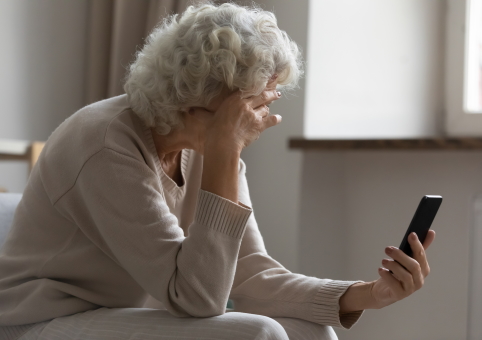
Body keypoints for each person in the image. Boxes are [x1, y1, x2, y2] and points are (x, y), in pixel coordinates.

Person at [0, 3, 435, 340]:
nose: (263, 119)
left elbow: (248, 274)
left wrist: (368, 294)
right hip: (40, 321)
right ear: (196, 99)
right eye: (252, 106)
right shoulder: (104, 145)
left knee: (310, 330)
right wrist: (227, 149)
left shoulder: (205, 143)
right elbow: (197, 298)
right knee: (259, 334)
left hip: (120, 314)